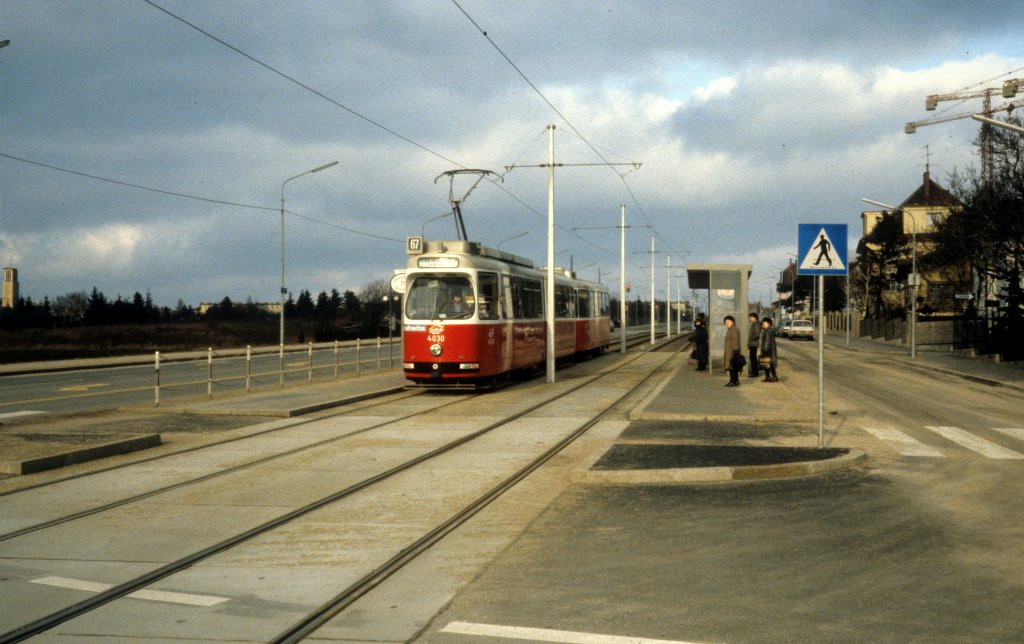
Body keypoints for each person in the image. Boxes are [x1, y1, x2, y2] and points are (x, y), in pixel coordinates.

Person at [759, 317, 779, 382]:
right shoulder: (765, 330)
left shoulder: (769, 331)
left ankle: (774, 377)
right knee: (766, 364)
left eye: (764, 323)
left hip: (768, 350)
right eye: (763, 323)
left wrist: (765, 349)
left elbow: (767, 341)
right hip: (766, 350)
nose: (763, 324)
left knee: (770, 364)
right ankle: (768, 377)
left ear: (769, 324)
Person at [723, 315, 741, 387]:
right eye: (726, 322)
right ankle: (735, 381)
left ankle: (732, 381)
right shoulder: (730, 329)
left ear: (732, 321)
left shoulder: (734, 329)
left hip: (732, 351)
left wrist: (735, 351)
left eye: (728, 321)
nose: (727, 323)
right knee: (733, 367)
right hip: (730, 351)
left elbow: (736, 340)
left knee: (731, 367)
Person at [747, 312, 761, 378]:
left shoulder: (757, 324)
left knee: (753, 358)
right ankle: (754, 372)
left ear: (755, 317)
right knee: (752, 358)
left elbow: (757, 334)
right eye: (750, 318)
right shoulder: (754, 324)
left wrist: (751, 338)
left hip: (754, 343)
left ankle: (755, 373)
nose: (750, 319)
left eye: (751, 317)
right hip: (752, 343)